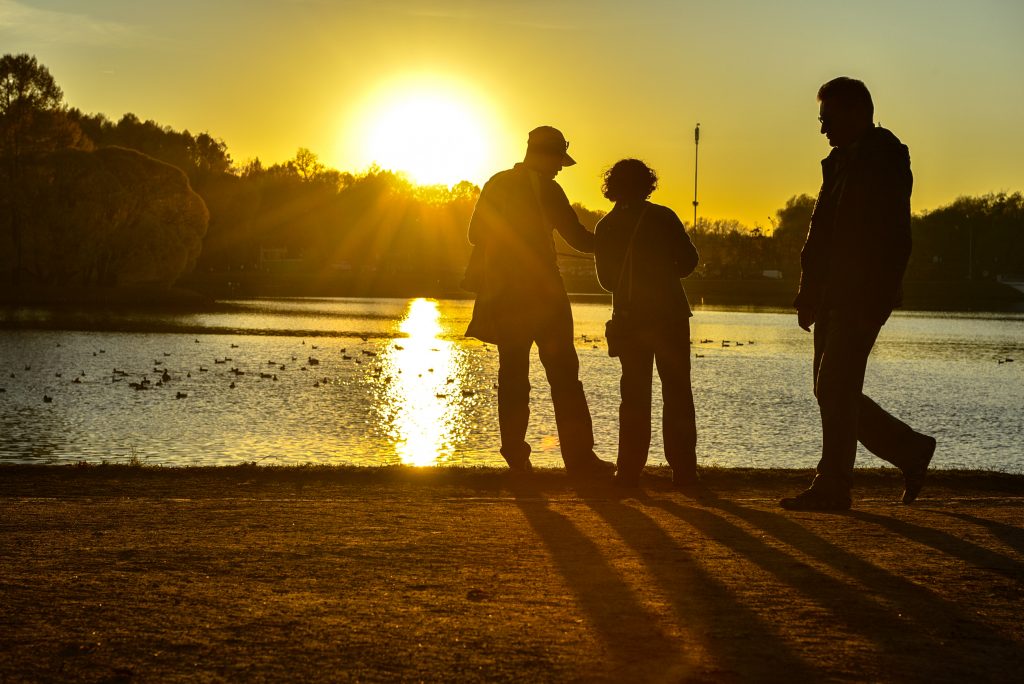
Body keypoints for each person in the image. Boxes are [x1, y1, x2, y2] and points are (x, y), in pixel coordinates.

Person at [780, 77, 937, 511]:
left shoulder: (884, 159)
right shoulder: (840, 162)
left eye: (827, 119)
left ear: (855, 113)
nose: (823, 129)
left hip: (862, 294)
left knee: (833, 386)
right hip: (834, 293)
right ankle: (909, 451)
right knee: (831, 388)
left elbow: (891, 236)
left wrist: (878, 293)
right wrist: (808, 291)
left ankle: (833, 486)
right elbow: (820, 233)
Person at [464, 126, 615, 479]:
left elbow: (474, 234)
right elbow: (578, 239)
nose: (560, 168)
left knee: (513, 375)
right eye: (559, 161)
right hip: (544, 295)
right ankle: (579, 460)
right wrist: (615, 240)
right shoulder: (547, 187)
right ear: (545, 156)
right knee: (564, 378)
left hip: (503, 294)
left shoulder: (496, 183)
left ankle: (516, 458)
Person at [593, 159, 700, 489]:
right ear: (647, 184)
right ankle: (683, 472)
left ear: (613, 186)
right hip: (670, 316)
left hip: (630, 319)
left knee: (635, 395)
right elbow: (689, 263)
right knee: (678, 394)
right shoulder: (663, 217)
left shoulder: (606, 226)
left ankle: (627, 471)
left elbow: (607, 281)